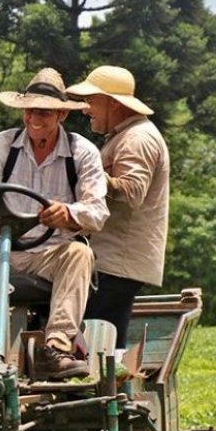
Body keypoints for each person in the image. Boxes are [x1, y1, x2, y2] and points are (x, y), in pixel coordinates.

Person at [0, 68, 109, 380]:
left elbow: (97, 212)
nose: (34, 119)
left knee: (81, 255)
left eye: (44, 112)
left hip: (51, 253)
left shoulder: (81, 152)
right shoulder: (2, 145)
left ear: (62, 115)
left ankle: (56, 348)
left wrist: (67, 213)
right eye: (29, 111)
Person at [66, 65, 170, 355]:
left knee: (96, 344)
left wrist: (85, 173)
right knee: (103, 344)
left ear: (113, 103)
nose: (86, 110)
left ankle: (98, 397)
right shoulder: (127, 135)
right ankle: (106, 394)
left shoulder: (137, 138)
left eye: (92, 101)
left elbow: (131, 190)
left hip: (117, 261)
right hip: (114, 260)